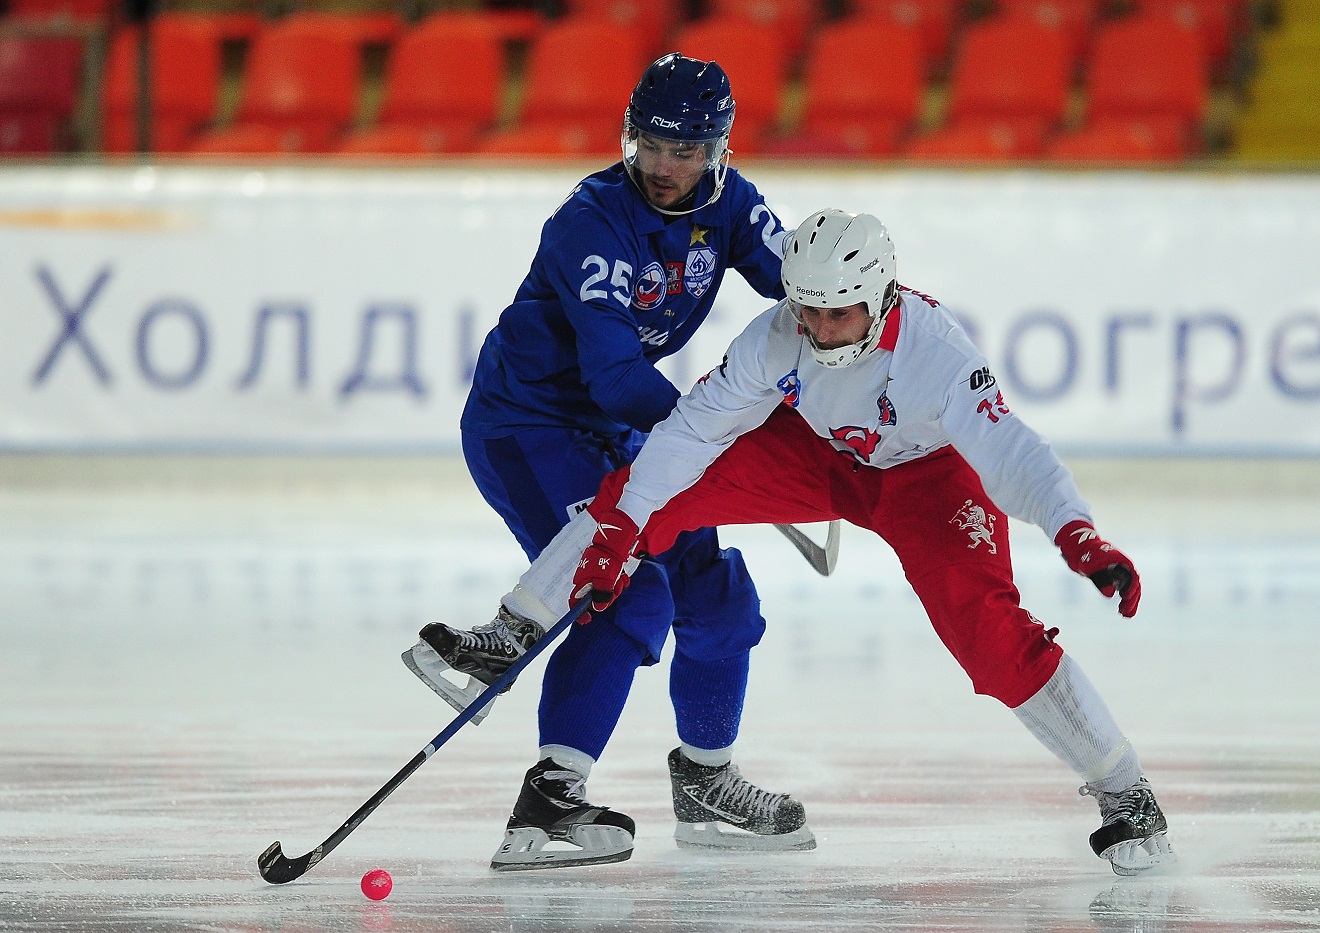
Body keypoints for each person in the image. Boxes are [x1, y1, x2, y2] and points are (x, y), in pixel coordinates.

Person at [482, 208, 1177, 876]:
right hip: (816, 455)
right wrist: (623, 527)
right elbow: (690, 432)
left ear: (882, 296)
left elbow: (1011, 451)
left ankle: (1125, 791)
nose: (818, 329)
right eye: (806, 309)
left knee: (989, 634)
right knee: (651, 493)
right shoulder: (777, 333)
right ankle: (519, 621)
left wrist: (1074, 531)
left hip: (927, 477)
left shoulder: (936, 352)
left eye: (838, 313)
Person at [403, 53, 812, 871]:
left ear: (721, 150)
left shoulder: (735, 206)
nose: (665, 167)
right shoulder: (593, 219)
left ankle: (705, 782)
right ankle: (551, 797)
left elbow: (811, 291)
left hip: (622, 431)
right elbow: (616, 376)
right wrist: (726, 434)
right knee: (631, 588)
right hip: (531, 426)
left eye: (686, 151)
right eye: (652, 145)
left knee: (719, 597)